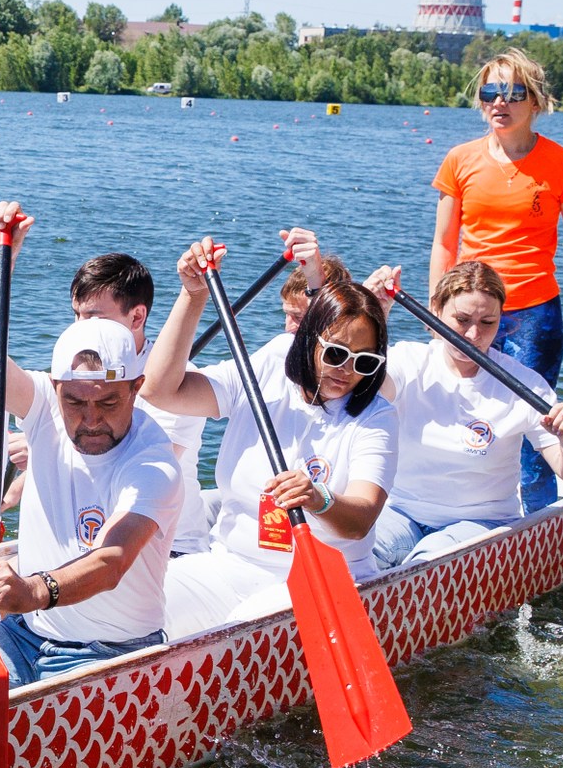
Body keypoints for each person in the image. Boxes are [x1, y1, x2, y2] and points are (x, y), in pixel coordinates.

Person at [0, 315, 182, 716]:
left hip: (109, 655)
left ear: (136, 388)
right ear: (56, 387)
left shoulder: (153, 465)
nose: (91, 419)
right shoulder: (42, 405)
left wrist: (34, 592)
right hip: (23, 638)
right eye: (75, 402)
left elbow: (111, 560)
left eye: (108, 402)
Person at [144, 239, 398, 638]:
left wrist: (319, 498)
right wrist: (193, 296)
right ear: (310, 338)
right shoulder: (269, 363)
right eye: (335, 355)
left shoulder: (376, 416)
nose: (347, 371)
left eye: (364, 362)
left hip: (323, 580)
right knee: (138, 604)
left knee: (235, 628)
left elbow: (361, 519)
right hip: (229, 564)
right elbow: (160, 390)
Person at [431, 48, 563, 513]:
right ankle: (453, 503)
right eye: (490, 93)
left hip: (533, 315)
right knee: (459, 411)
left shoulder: (561, 163)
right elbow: (444, 243)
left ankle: (536, 520)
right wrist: (435, 311)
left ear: (536, 102)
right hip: (467, 312)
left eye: (513, 94)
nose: (499, 103)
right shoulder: (460, 160)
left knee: (535, 423)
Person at [0, 205, 209, 557]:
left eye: (92, 317)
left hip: (165, 546)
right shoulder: (66, 372)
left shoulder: (177, 379)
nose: (80, 329)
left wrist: (44, 444)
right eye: (76, 315)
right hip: (80, 538)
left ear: (137, 316)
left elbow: (122, 457)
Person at [361, 262, 563, 564]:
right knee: (353, 549)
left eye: (487, 322)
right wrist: (372, 318)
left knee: (427, 561)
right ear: (436, 311)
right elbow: (361, 392)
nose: (473, 334)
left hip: (483, 523)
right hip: (402, 514)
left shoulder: (523, 385)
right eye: (461, 319)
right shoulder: (408, 361)